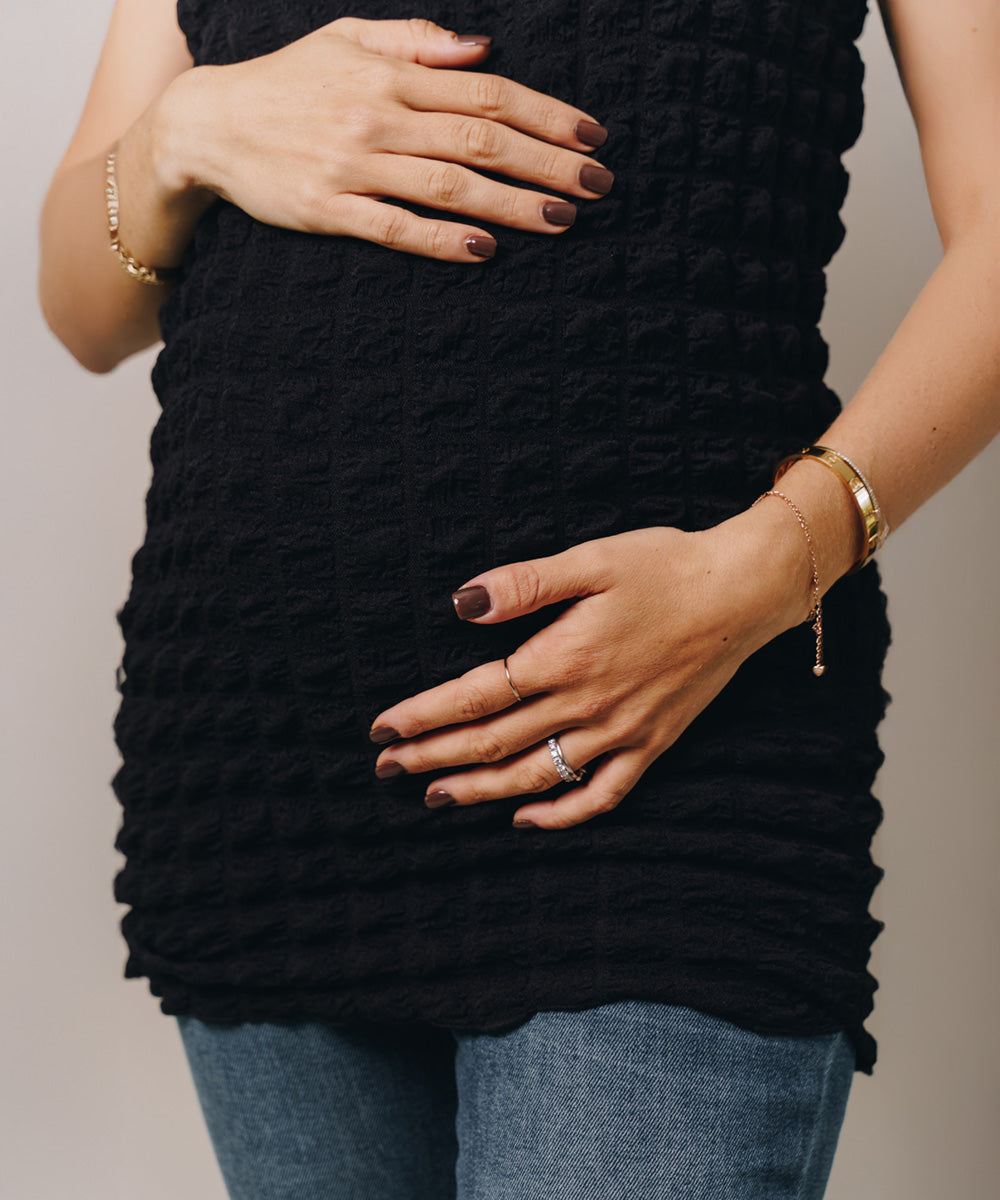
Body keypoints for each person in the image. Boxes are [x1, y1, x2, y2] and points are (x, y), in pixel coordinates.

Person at [38, 1, 999, 1197]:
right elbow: (85, 309)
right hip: (267, 789)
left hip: (667, 758)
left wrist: (761, 568)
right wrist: (179, 133)